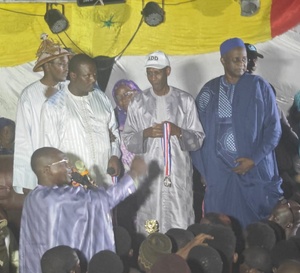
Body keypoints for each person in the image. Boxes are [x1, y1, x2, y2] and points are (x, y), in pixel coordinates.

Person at [191, 37, 283, 228]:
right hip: (219, 175)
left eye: (244, 59)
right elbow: (195, 132)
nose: (242, 63)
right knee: (219, 228)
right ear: (223, 60)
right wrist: (204, 169)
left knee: (257, 229)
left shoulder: (260, 86)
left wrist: (254, 159)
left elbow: (274, 130)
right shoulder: (209, 90)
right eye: (236, 59)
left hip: (254, 171)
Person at [19, 147, 149, 273]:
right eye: (64, 162)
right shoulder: (61, 198)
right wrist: (133, 175)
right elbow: (104, 200)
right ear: (47, 170)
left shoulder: (32, 197)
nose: (69, 167)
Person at [122, 50, 205, 234]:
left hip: (177, 174)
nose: (153, 78)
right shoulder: (138, 103)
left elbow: (198, 139)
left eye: (157, 72)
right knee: (150, 224)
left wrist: (179, 132)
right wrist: (146, 133)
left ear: (167, 71)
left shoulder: (185, 101)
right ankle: (150, 259)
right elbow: (127, 139)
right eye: (149, 73)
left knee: (180, 221)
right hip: (150, 174)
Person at [40, 53, 121, 187]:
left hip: (104, 178)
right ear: (73, 75)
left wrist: (114, 156)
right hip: (74, 183)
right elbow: (48, 149)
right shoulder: (53, 106)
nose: (93, 79)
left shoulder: (102, 99)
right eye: (87, 76)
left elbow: (114, 131)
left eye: (94, 74)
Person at [13, 33, 71, 194]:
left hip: (70, 169)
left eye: (67, 63)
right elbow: (23, 140)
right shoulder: (29, 95)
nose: (66, 68)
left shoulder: (70, 90)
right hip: (45, 173)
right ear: (46, 66)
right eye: (61, 63)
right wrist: (26, 180)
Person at [112, 79, 142, 172]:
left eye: (126, 94)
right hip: (132, 174)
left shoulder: (151, 113)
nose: (123, 100)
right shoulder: (115, 122)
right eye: (118, 97)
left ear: (136, 92)